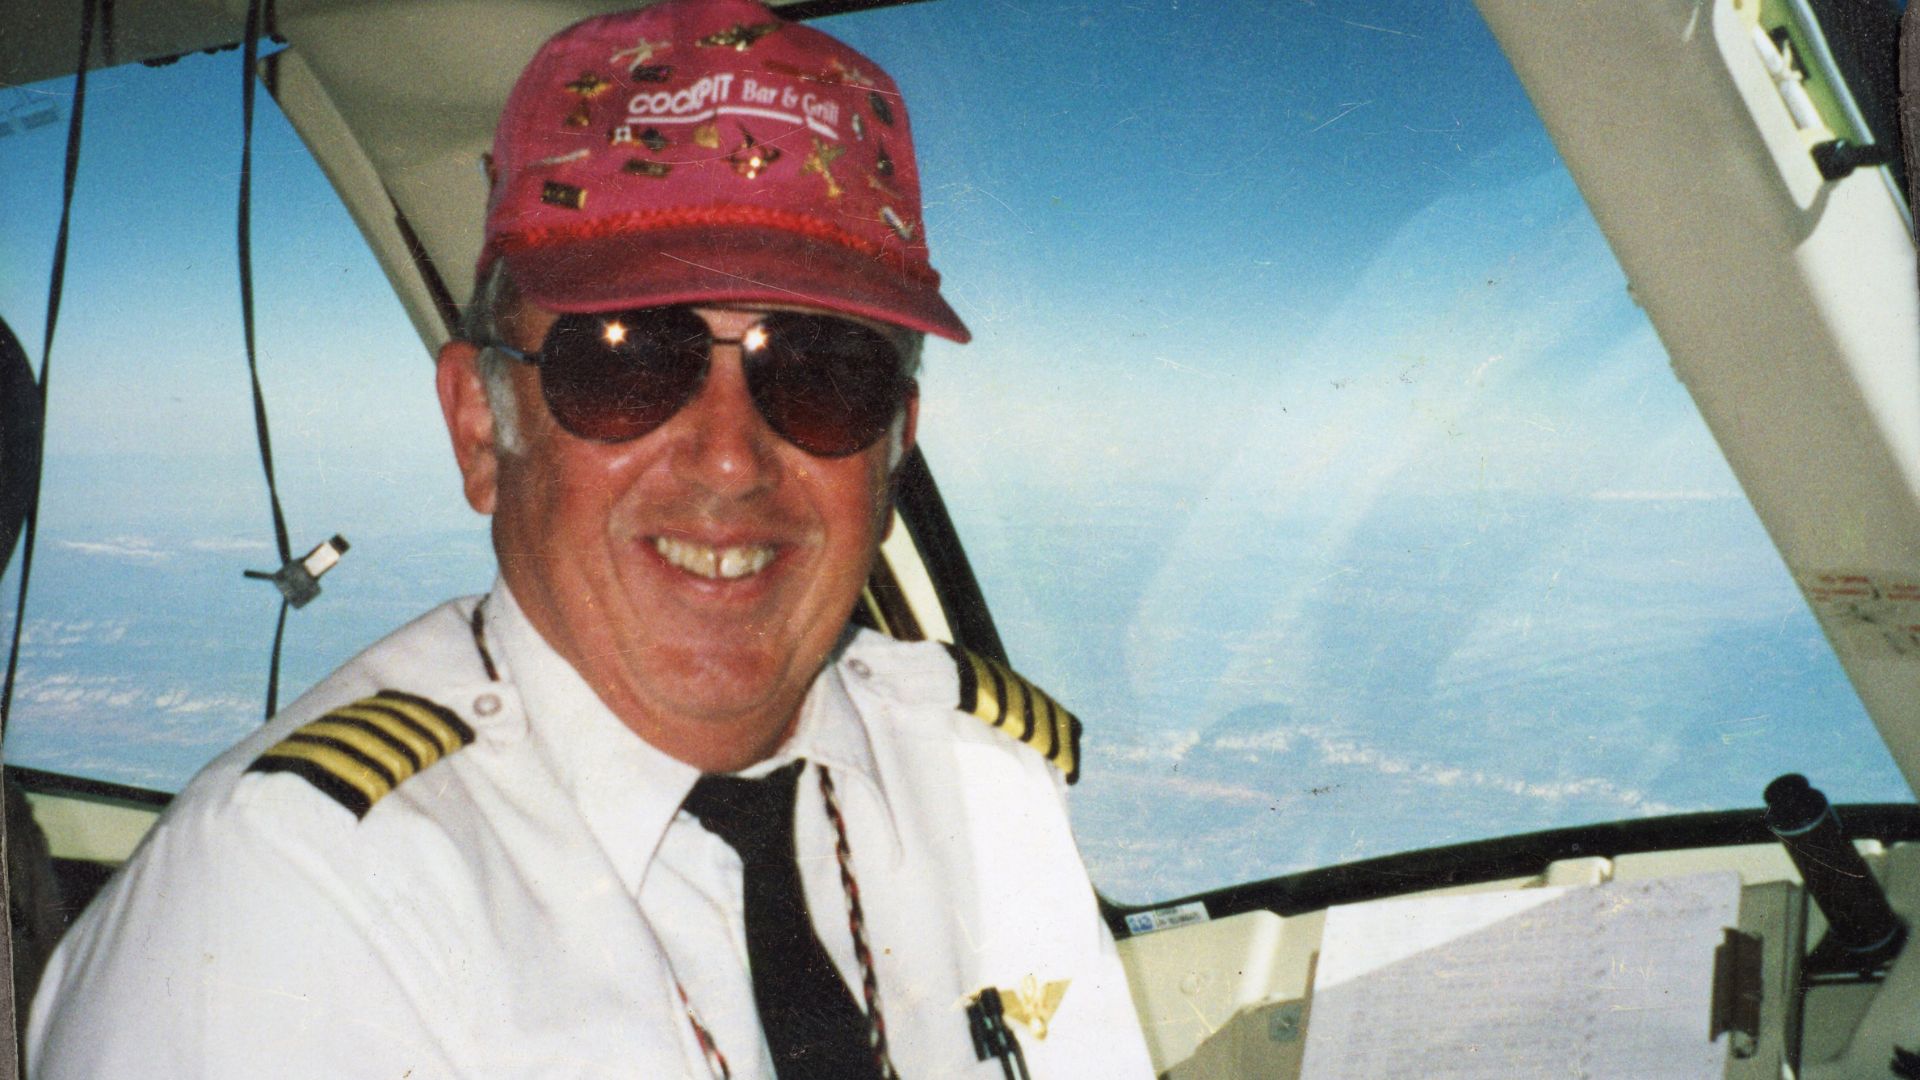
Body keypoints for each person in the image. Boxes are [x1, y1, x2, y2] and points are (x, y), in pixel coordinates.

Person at [25, 1, 1155, 1077]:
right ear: (482, 426)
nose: (729, 456)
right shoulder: (295, 908)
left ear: (894, 448)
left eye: (821, 371)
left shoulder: (979, 787)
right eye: (624, 361)